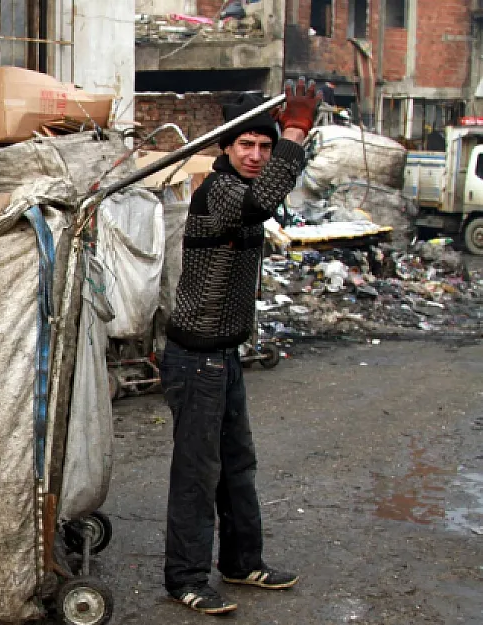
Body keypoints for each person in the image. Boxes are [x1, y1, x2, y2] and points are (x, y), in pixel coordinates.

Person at [160, 78, 321, 615]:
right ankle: (185, 577)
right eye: (245, 145)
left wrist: (291, 139)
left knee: (236, 464)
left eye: (265, 145)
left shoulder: (246, 188)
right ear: (226, 150)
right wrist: (294, 130)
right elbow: (262, 201)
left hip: (223, 356)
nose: (255, 155)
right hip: (195, 358)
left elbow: (270, 196)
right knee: (197, 474)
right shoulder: (220, 189)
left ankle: (241, 561)